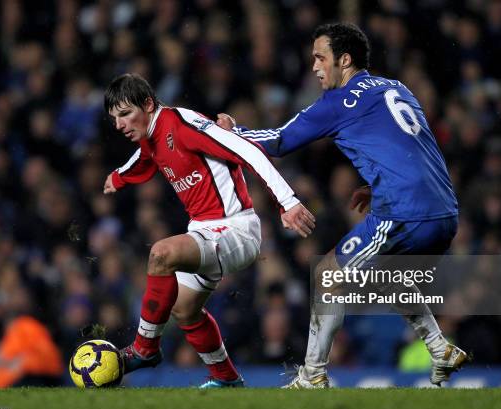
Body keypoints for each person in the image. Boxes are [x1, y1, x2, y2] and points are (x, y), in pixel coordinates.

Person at [217, 23, 468, 388]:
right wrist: (375, 184)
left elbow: (279, 140)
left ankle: (312, 375)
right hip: (444, 210)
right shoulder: (395, 87)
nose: (315, 67)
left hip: (405, 211)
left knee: (328, 275)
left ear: (344, 59)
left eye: (320, 57)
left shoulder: (340, 101)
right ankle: (440, 349)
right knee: (384, 277)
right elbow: (412, 145)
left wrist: (233, 133)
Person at [102, 73, 315, 388]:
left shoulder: (182, 124)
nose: (119, 124)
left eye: (125, 114)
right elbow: (144, 159)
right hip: (206, 229)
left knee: (160, 254)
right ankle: (226, 379)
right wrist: (118, 177)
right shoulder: (151, 136)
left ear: (148, 104)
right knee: (184, 310)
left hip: (237, 228)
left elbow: (248, 150)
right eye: (113, 118)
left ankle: (144, 348)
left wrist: (288, 201)